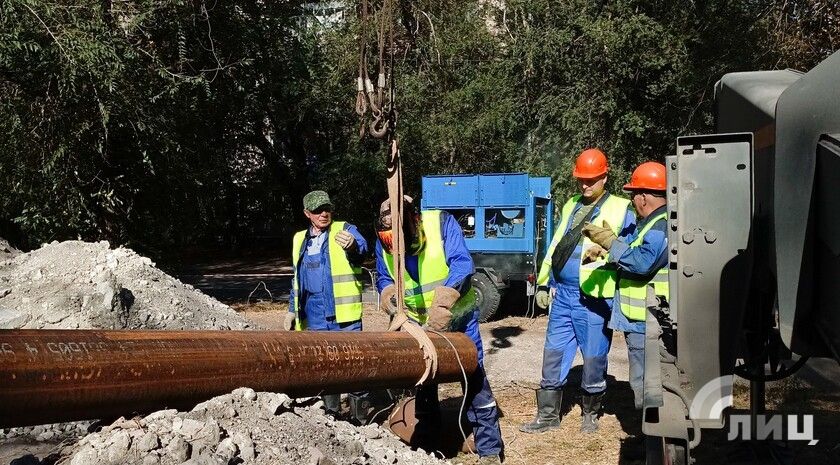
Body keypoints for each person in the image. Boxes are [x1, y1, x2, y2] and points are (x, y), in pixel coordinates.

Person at [374, 196, 504, 465]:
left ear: (415, 221)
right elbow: (385, 276)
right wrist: (390, 299)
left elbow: (461, 263)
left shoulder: (440, 223)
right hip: (419, 323)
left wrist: (444, 300)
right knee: (424, 380)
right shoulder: (384, 239)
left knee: (472, 376)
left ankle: (489, 448)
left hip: (458, 313)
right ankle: (428, 446)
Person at [521, 148, 635, 434]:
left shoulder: (622, 208)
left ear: (605, 177)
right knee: (554, 354)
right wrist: (546, 283)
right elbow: (556, 246)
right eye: (581, 180)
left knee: (595, 357)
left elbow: (631, 252)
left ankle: (590, 415)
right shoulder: (572, 203)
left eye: (591, 180)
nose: (585, 185)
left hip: (594, 299)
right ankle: (548, 416)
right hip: (563, 296)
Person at [583, 161, 669, 459]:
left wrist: (609, 242)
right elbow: (631, 251)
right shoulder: (650, 224)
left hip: (650, 326)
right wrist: (612, 247)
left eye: (634, 194)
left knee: (650, 391)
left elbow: (642, 262)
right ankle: (649, 443)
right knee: (643, 387)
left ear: (644, 196)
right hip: (641, 324)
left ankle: (656, 451)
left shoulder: (661, 226)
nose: (633, 199)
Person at [287, 190, 369, 423]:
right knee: (326, 366)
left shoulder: (345, 229)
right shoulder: (299, 239)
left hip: (344, 315)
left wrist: (353, 246)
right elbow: (296, 278)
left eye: (327, 208)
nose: (324, 214)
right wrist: (292, 310)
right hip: (314, 314)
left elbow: (362, 249)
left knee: (354, 365)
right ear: (307, 213)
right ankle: (331, 415)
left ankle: (359, 421)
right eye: (317, 210)